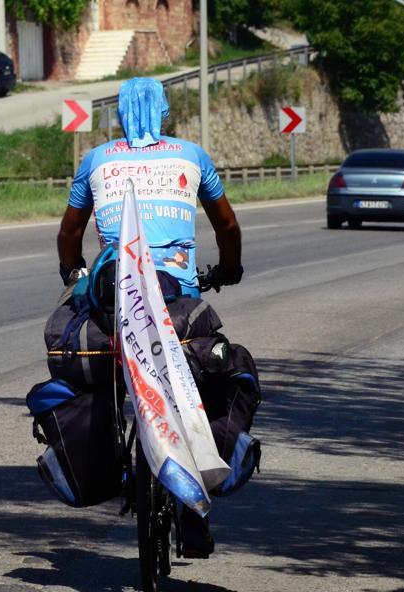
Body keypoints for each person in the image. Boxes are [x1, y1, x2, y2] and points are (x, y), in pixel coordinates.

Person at [56, 77, 243, 558]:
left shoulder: (95, 160)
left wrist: (71, 270)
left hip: (113, 296)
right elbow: (227, 224)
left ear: (119, 113)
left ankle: (112, 463)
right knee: (200, 379)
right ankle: (194, 507)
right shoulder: (191, 156)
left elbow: (69, 233)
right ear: (162, 111)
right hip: (176, 295)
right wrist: (229, 268)